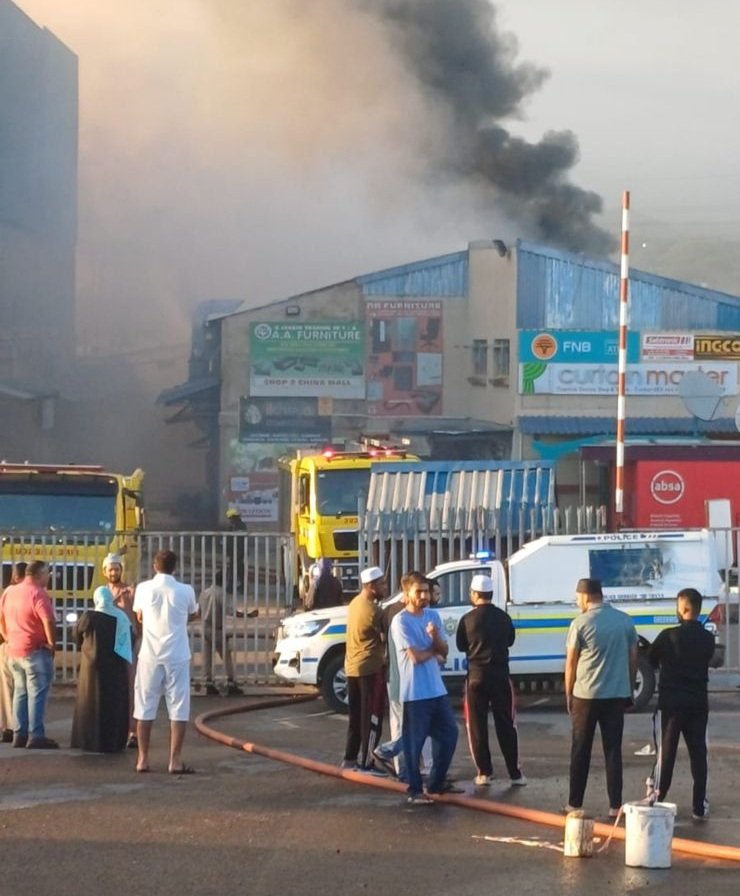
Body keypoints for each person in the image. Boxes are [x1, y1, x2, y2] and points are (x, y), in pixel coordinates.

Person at [564, 577, 637, 817]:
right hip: (616, 695)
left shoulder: (580, 623)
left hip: (585, 696)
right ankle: (615, 806)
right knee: (613, 750)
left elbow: (571, 663)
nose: (577, 602)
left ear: (586, 596)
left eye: (577, 598)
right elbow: (633, 658)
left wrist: (568, 693)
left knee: (580, 749)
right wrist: (628, 688)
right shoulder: (625, 621)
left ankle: (575, 803)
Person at [391, 571, 459, 804]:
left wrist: (434, 637)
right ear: (406, 593)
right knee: (414, 742)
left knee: (449, 734)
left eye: (426, 591)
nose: (424, 596)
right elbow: (416, 657)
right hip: (414, 692)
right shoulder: (400, 621)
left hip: (436, 690)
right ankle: (414, 790)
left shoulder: (433, 616)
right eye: (418, 591)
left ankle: (436, 782)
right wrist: (434, 651)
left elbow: (445, 651)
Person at [648, 587, 715, 820]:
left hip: (671, 703)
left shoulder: (668, 635)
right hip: (698, 702)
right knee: (698, 753)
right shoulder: (707, 638)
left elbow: (651, 658)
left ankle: (658, 796)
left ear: (683, 608)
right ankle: (699, 804)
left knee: (666, 752)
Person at [456, 573, 526, 787]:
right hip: (500, 675)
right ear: (491, 594)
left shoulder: (467, 619)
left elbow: (461, 646)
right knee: (506, 724)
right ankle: (515, 774)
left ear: (474, 594)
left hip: (476, 676)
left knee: (476, 726)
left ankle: (484, 772)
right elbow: (511, 640)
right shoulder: (503, 617)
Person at [133, 550, 199, 774]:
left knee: (144, 707)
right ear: (175, 568)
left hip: (150, 655)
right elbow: (193, 614)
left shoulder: (143, 589)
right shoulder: (185, 590)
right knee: (179, 709)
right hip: (177, 655)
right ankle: (175, 760)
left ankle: (142, 759)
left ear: (154, 566)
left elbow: (139, 616)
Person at [0, 560, 58, 749]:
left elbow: (1, 619)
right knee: (37, 693)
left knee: (20, 692)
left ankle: (19, 734)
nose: (48, 577)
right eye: (47, 574)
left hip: (14, 651)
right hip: (35, 651)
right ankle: (36, 735)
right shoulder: (38, 593)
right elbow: (48, 620)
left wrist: (8, 637)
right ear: (40, 574)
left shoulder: (9, 592)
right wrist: (51, 644)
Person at [70, 586, 133, 752]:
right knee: (112, 703)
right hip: (115, 668)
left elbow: (76, 635)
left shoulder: (89, 617)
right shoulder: (121, 617)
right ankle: (112, 741)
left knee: (89, 702)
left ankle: (86, 740)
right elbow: (130, 639)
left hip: (90, 669)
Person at [341, 565, 387, 774]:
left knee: (356, 716)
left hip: (352, 668)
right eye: (382, 584)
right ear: (371, 586)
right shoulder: (374, 611)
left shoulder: (354, 604)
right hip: (370, 669)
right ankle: (367, 762)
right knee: (372, 717)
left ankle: (349, 758)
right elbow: (386, 636)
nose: (385, 587)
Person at [101, 553, 139, 748]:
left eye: (117, 569)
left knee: (131, 687)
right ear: (104, 571)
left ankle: (133, 731)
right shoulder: (102, 593)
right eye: (110, 569)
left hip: (128, 645)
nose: (114, 572)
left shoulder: (130, 591)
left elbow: (138, 618)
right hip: (108, 646)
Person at [199, 569, 240, 696]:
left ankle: (208, 683)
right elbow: (230, 611)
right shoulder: (221, 593)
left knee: (207, 658)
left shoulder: (204, 593)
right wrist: (247, 615)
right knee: (226, 656)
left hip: (205, 628)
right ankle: (231, 682)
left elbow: (198, 610)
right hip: (217, 629)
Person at [0, 562, 27, 743]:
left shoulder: (8, 593)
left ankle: (9, 727)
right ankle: (14, 728)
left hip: (9, 643)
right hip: (15, 646)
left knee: (9, 688)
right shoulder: (15, 593)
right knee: (18, 688)